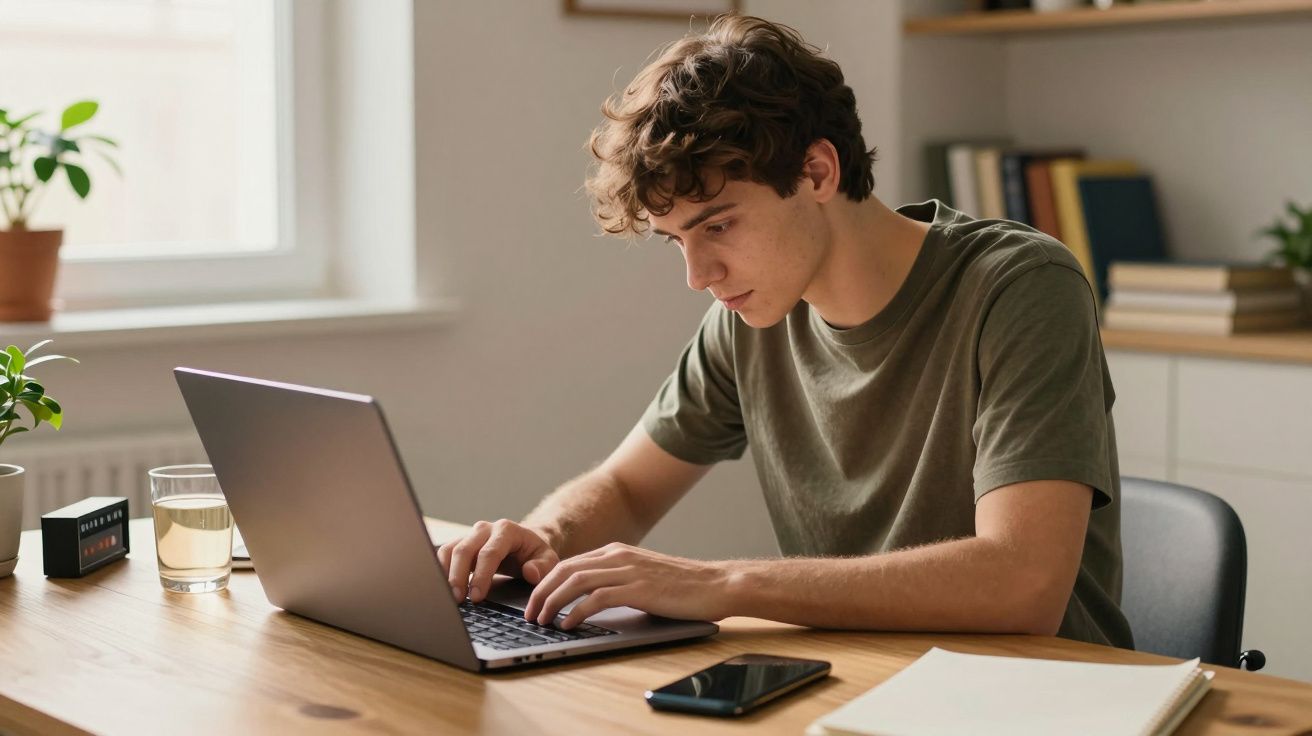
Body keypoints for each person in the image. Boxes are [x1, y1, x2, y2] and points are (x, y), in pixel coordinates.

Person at [438, 13, 1133, 649]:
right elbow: (626, 489)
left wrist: (724, 585)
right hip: (862, 682)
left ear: (818, 171)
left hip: (1043, 694)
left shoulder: (1020, 287)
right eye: (676, 241)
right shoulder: (747, 319)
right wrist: (542, 537)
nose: (699, 274)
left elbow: (1024, 584)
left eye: (716, 225)